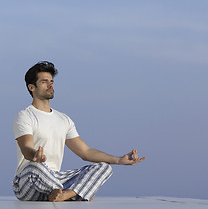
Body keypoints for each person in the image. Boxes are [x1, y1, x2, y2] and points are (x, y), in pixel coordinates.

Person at [12, 61, 146, 202]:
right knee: (34, 167)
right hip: (29, 183)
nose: (50, 85)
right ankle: (75, 193)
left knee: (104, 167)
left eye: (51, 81)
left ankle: (64, 195)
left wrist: (118, 160)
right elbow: (26, 148)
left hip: (55, 180)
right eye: (44, 82)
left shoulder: (64, 119)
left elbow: (85, 152)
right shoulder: (25, 116)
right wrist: (35, 156)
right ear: (31, 87)